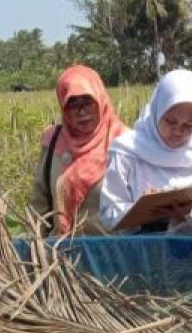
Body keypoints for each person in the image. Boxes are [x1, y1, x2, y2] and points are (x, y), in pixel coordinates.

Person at [99, 69, 192, 234]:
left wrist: (190, 215)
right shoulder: (127, 151)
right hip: (139, 253)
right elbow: (108, 214)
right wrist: (140, 208)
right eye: (170, 121)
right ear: (157, 110)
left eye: (189, 125)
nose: (178, 131)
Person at [30, 65, 127, 236]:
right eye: (73, 103)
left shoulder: (124, 141)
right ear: (62, 106)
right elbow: (40, 203)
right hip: (60, 253)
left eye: (88, 101)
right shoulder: (53, 141)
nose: (82, 111)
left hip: (114, 254)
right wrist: (38, 248)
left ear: (100, 98)